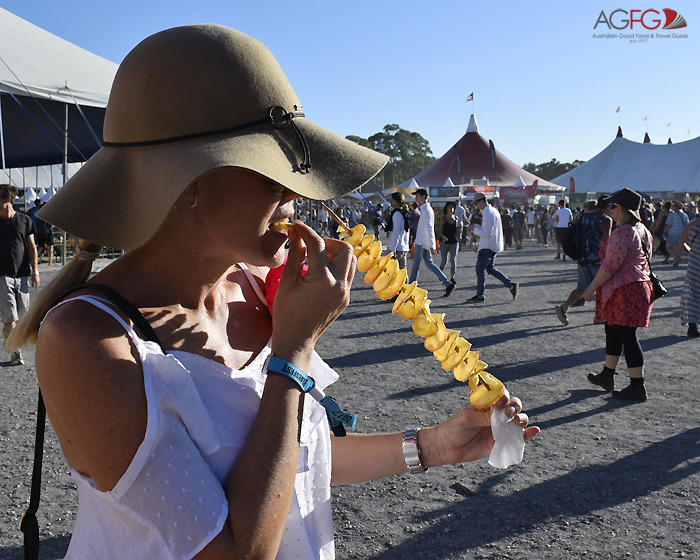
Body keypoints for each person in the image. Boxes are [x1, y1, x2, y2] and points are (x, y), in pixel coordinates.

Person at [6, 26, 538, 560]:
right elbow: (236, 551)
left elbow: (297, 459)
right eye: (274, 171)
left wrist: (431, 446)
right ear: (189, 181)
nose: (296, 191)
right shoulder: (87, 340)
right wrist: (291, 350)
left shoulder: (254, 287)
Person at [583, 188, 654, 402]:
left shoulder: (623, 232)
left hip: (625, 289)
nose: (609, 209)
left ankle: (637, 386)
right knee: (612, 329)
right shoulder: (641, 229)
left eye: (613, 206)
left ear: (622, 208)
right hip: (634, 287)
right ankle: (607, 374)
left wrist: (590, 288)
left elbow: (609, 267)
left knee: (627, 336)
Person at [555, 198, 612, 326]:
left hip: (583, 256)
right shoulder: (605, 220)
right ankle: (599, 316)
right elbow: (605, 241)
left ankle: (565, 306)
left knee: (582, 287)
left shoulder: (584, 216)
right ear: (607, 205)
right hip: (598, 259)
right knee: (603, 288)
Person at [1, 185, 40, 366]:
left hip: (23, 276)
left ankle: (10, 341)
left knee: (23, 316)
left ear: (8, 199)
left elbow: (32, 247)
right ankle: (15, 353)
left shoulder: (24, 220)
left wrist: (35, 271)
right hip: (2, 277)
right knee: (10, 318)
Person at [466, 192, 519, 303]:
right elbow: (490, 232)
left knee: (480, 270)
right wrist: (480, 244)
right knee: (490, 269)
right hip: (491, 245)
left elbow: (487, 232)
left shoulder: (488, 213)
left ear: (481, 201)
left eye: (476, 203)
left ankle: (480, 295)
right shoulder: (493, 211)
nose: (476, 206)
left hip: (488, 246)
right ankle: (510, 285)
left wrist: (473, 228)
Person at [408, 189, 456, 297]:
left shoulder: (425, 210)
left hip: (422, 242)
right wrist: (431, 245)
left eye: (417, 196)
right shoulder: (426, 209)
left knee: (416, 266)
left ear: (423, 196)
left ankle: (409, 289)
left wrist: (432, 245)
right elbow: (429, 228)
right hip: (424, 242)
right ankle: (447, 283)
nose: (416, 198)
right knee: (429, 264)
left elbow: (430, 228)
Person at [679, 216, 700, 338]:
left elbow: (681, 244)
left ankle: (692, 325)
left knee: (692, 292)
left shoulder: (692, 225)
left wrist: (692, 252)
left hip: (694, 264)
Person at [438, 201, 459, 284]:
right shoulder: (443, 219)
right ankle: (441, 273)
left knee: (453, 259)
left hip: (454, 241)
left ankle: (452, 277)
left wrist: (459, 238)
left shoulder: (456, 218)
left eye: (453, 207)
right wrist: (442, 236)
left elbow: (456, 231)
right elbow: (440, 230)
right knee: (444, 260)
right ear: (446, 208)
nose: (451, 208)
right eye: (450, 207)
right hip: (444, 242)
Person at [387, 192, 410, 269]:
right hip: (404, 247)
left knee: (392, 271)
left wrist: (393, 249)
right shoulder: (403, 213)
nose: (391, 201)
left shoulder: (396, 214)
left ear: (397, 201)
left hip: (398, 248)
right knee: (402, 272)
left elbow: (396, 232)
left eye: (392, 199)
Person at [664, 200, 689, 268]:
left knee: (668, 247)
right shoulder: (684, 215)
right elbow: (687, 225)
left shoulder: (672, 215)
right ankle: (677, 260)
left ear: (675, 207)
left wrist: (664, 232)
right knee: (678, 246)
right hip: (682, 233)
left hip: (673, 232)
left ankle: (675, 258)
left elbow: (667, 224)